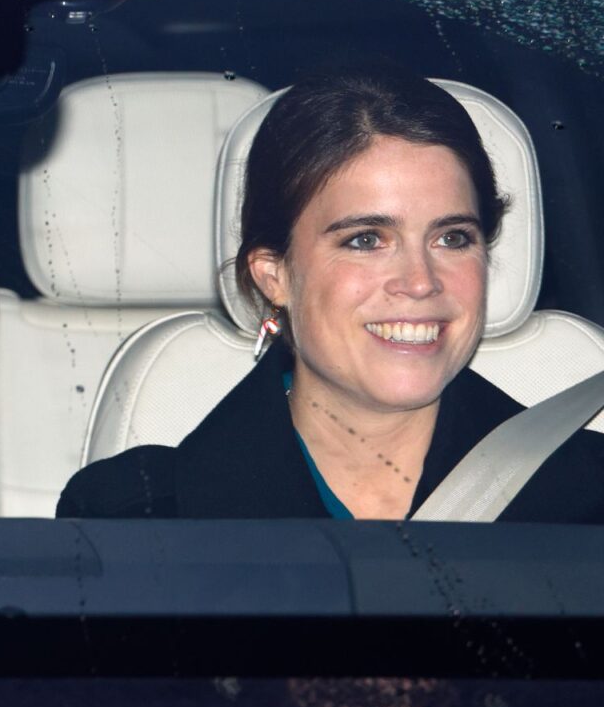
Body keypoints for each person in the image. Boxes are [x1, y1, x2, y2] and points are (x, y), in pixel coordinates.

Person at [58, 63, 604, 522]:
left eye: (452, 237)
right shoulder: (134, 516)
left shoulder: (587, 500)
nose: (420, 281)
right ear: (275, 276)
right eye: (366, 239)